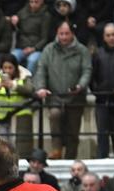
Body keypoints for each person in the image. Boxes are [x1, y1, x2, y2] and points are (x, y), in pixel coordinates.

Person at [35, 20, 91, 160]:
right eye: (61, 34)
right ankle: (56, 150)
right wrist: (41, 87)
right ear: (57, 34)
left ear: (72, 34)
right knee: (54, 115)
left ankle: (71, 158)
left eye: (67, 34)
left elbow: (87, 70)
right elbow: (41, 69)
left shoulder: (82, 50)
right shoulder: (49, 49)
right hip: (55, 94)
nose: (64, 37)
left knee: (73, 130)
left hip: (75, 96)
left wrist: (81, 85)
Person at [0, 54, 34, 157]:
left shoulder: (24, 76)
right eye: (5, 68)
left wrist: (13, 85)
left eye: (10, 68)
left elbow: (30, 90)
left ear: (16, 67)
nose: (7, 71)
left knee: (20, 148)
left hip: (20, 115)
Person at [91, 23, 114, 159]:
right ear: (104, 37)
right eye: (108, 35)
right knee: (102, 133)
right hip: (102, 99)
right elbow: (92, 76)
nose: (111, 38)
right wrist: (96, 91)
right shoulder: (98, 54)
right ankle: (102, 158)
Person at [11, 0, 50, 74]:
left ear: (42, 1)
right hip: (22, 47)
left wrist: (34, 48)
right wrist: (14, 20)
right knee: (12, 58)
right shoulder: (23, 11)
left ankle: (28, 83)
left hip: (36, 48)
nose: (33, 4)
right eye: (31, 1)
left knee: (32, 60)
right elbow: (16, 24)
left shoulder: (46, 16)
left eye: (36, 2)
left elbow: (45, 38)